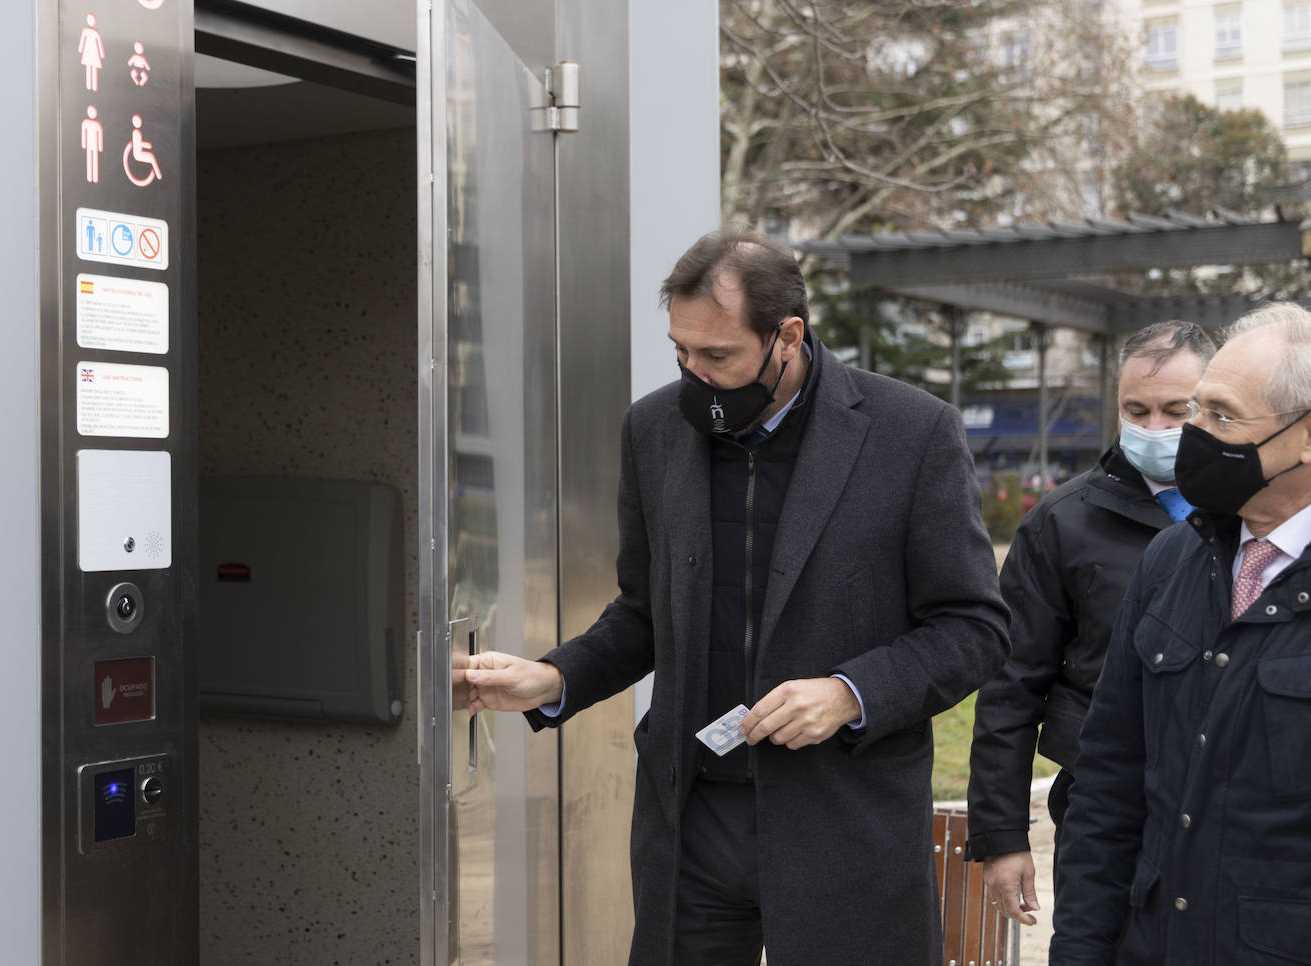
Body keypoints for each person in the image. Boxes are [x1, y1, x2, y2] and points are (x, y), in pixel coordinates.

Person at [459, 230, 1010, 966]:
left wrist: (850, 693)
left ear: (788, 336)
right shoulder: (653, 429)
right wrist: (553, 679)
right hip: (692, 822)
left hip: (844, 820)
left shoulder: (913, 433)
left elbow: (974, 628)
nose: (695, 375)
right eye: (681, 351)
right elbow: (644, 615)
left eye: (717, 356)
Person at [1049, 302, 1311, 964]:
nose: (1192, 436)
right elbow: (1108, 782)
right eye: (1198, 410)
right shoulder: (1171, 562)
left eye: (1220, 417)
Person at [964, 321, 1215, 924]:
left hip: (1227, 805)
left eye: (1175, 409)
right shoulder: (1061, 521)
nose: (1154, 428)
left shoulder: (1260, 513)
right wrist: (1001, 836)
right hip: (1101, 809)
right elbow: (1010, 684)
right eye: (1137, 409)